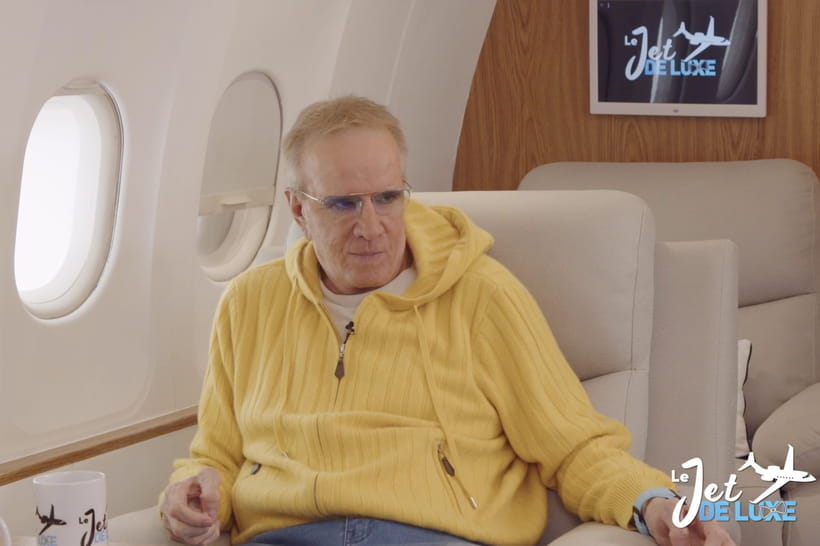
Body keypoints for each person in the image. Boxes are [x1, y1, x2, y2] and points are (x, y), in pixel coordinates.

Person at [160, 96, 734, 546]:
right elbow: (217, 455)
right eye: (343, 204)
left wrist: (653, 503)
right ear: (297, 209)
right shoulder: (249, 303)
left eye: (387, 198)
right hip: (286, 537)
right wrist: (195, 491)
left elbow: (576, 448)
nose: (371, 226)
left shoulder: (482, 297)